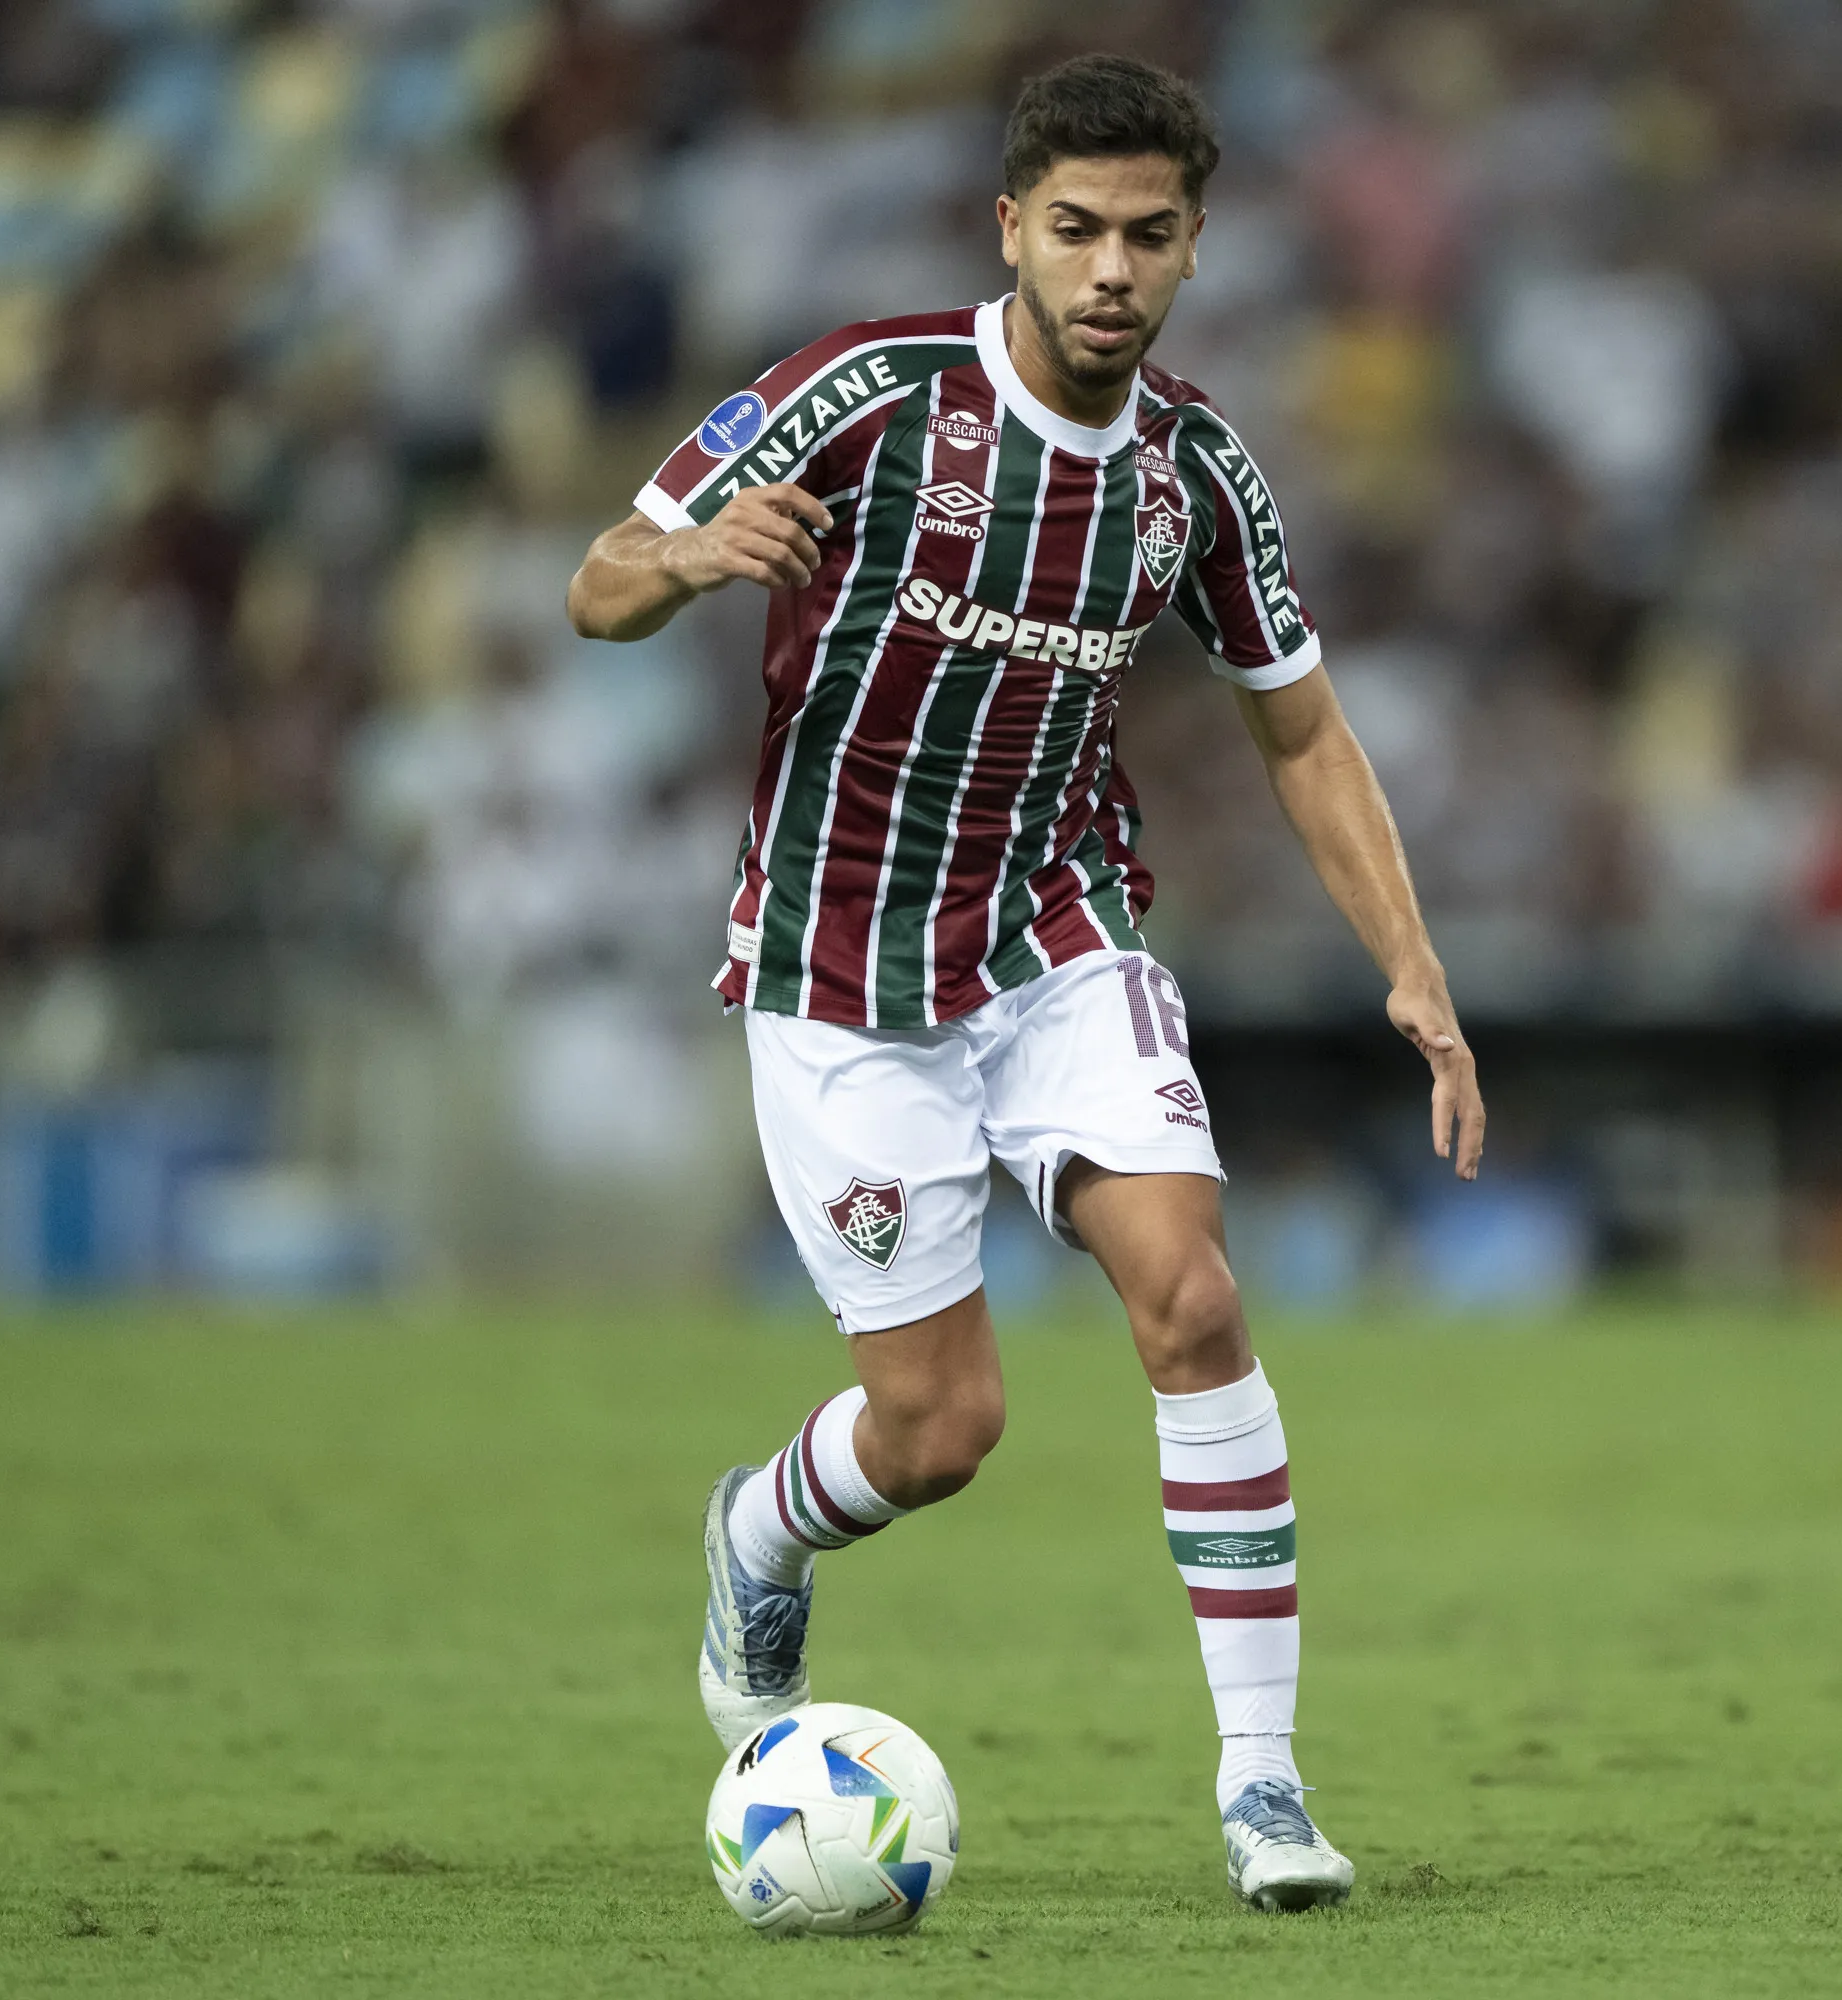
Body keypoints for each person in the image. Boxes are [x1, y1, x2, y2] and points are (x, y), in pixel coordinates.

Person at [565, 54, 1485, 1911]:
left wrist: (1417, 973)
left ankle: (1264, 1786)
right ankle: (758, 1532)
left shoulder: (1195, 470)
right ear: (1012, 229)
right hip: (837, 969)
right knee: (942, 1431)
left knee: (1195, 1300)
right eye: (1077, 231)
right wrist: (682, 561)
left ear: (1197, 246)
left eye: (1150, 236)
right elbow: (596, 578)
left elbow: (1301, 733)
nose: (1112, 271)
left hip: (1061, 937)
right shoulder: (870, 393)